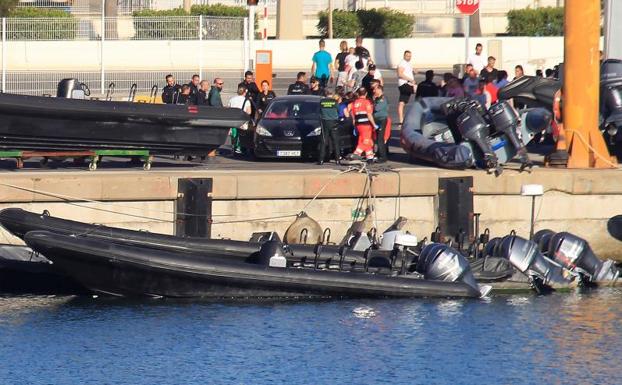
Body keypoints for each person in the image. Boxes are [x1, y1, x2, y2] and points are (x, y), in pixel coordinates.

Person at [346, 87, 378, 162]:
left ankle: (370, 157)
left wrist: (355, 126)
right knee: (366, 141)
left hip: (358, 125)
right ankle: (355, 154)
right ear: (366, 93)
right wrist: (374, 125)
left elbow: (352, 114)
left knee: (364, 140)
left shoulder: (355, 103)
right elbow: (369, 115)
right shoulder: (367, 102)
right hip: (366, 125)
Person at [318, 90, 342, 165]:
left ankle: (321, 160)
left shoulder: (321, 102)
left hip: (324, 122)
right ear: (332, 94)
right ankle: (337, 159)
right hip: (333, 122)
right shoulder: (335, 102)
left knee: (324, 141)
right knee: (335, 141)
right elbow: (339, 111)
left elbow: (319, 112)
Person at [228, 86, 251, 154]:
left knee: (234, 135)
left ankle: (233, 148)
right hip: (242, 121)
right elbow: (249, 112)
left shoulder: (232, 99)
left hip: (233, 121)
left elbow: (228, 110)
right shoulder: (246, 100)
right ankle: (239, 149)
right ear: (244, 92)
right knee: (241, 135)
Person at [397, 50, 416, 125]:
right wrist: (411, 80)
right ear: (404, 56)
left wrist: (414, 71)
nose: (409, 57)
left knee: (402, 103)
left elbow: (409, 72)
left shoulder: (408, 64)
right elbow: (400, 74)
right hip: (404, 84)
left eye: (410, 56)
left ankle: (401, 120)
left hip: (407, 83)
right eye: (407, 56)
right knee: (420, 90)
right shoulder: (402, 63)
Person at [372, 85, 389, 163]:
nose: (374, 91)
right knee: (377, 138)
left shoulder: (382, 99)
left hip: (382, 120)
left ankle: (383, 157)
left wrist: (374, 102)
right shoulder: (377, 99)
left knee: (380, 139)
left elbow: (377, 108)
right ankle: (379, 154)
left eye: (375, 89)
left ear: (379, 90)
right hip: (377, 120)